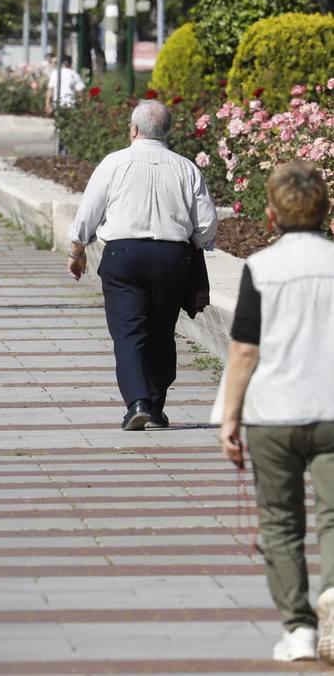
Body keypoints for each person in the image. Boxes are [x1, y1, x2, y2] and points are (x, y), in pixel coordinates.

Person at [215, 162, 334, 664]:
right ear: (326, 210)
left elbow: (244, 350)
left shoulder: (260, 269)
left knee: (281, 522)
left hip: (273, 415)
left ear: (271, 216)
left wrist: (228, 417)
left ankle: (299, 630)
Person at [68, 99, 218, 430]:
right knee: (162, 331)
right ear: (168, 132)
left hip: (124, 257)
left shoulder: (113, 163)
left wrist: (77, 250)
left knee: (129, 331)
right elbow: (206, 223)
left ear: (133, 129)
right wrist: (196, 242)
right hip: (172, 257)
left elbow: (88, 212)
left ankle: (137, 402)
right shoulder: (186, 167)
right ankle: (154, 403)